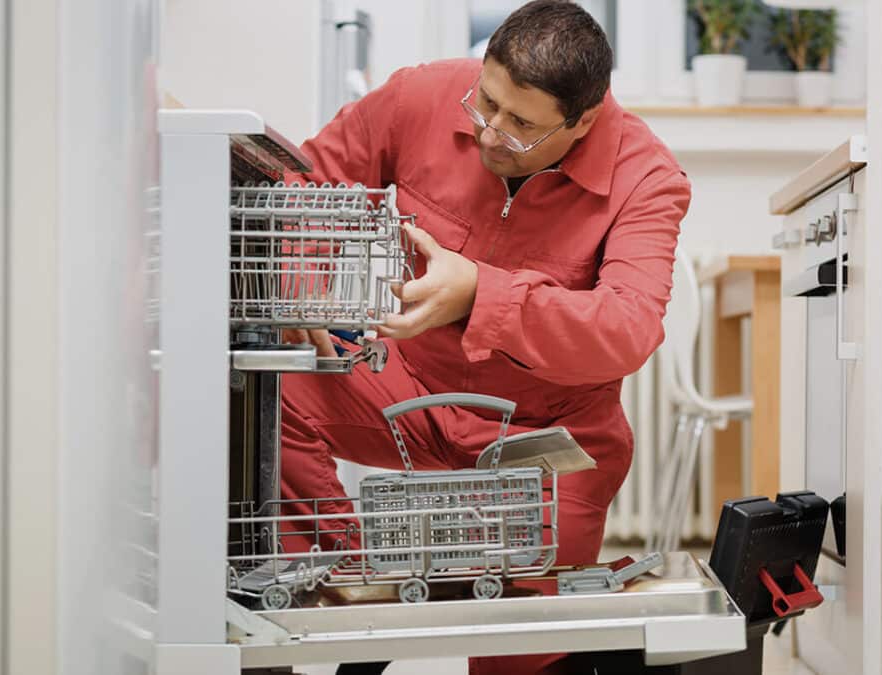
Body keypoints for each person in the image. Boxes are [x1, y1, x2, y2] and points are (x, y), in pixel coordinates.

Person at [279, 1, 690, 673]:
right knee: (275, 381)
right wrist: (303, 284)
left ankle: (452, 597)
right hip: (408, 390)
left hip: (545, 439)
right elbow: (302, 182)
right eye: (486, 102)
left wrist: (481, 292)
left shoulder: (646, 176)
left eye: (523, 124)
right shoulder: (420, 95)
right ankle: (360, 580)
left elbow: (629, 329)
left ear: (584, 119)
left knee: (520, 652)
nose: (492, 133)